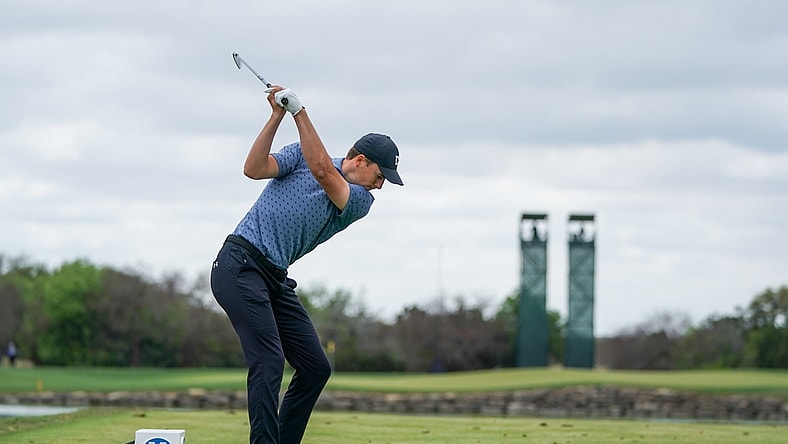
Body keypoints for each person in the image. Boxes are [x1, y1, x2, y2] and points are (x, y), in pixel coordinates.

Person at [210, 85, 403, 443]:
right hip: (239, 265)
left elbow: (322, 172)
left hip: (273, 276)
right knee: (268, 362)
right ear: (360, 160)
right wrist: (277, 116)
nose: (380, 186)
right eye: (380, 176)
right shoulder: (300, 154)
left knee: (315, 368)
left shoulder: (359, 199)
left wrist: (301, 111)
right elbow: (253, 169)